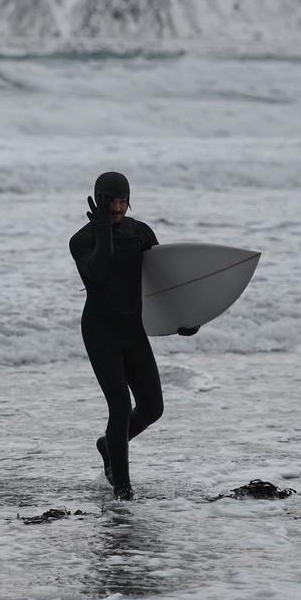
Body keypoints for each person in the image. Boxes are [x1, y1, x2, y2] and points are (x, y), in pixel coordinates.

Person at [69, 171, 196, 499]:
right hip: (100, 332)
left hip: (132, 329)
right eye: (110, 201)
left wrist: (185, 316)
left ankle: (108, 444)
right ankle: (122, 489)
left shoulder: (141, 233)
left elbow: (162, 282)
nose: (116, 208)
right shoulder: (81, 240)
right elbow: (97, 274)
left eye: (122, 201)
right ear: (99, 200)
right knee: (121, 407)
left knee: (153, 408)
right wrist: (103, 233)